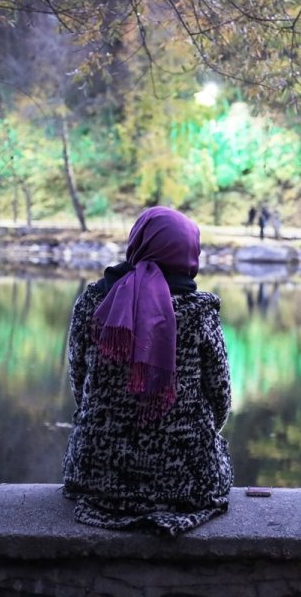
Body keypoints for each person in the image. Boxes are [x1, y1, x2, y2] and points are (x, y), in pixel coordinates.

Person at [63, 206, 233, 537]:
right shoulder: (200, 313)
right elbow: (220, 397)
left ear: (138, 241)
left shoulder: (93, 301)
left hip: (95, 476)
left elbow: (78, 381)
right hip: (184, 483)